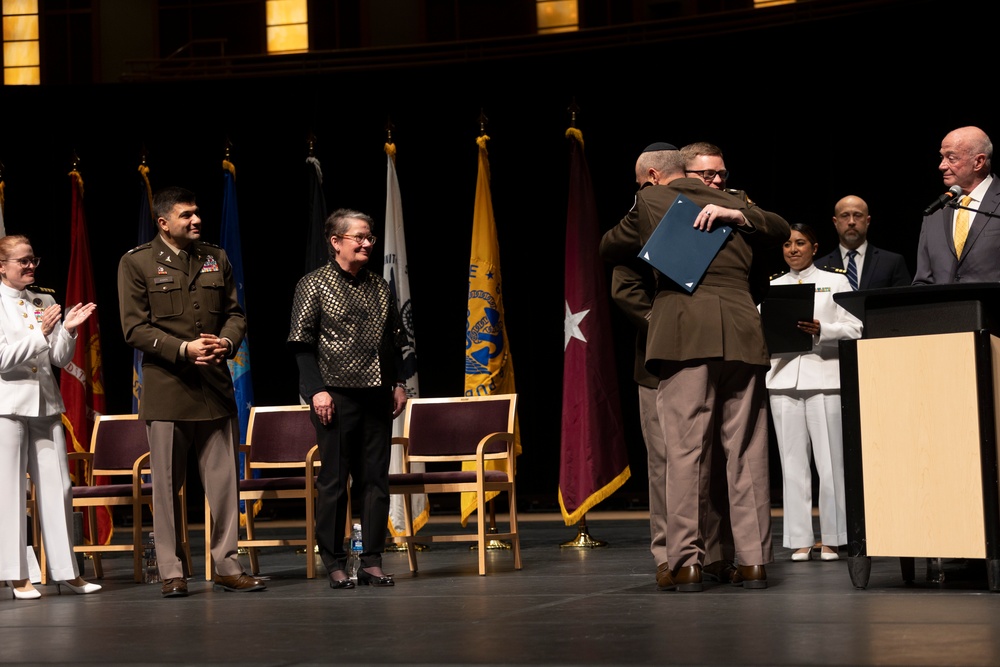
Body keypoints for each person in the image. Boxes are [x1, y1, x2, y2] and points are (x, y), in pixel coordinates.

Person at [600, 146, 789, 591]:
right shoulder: (737, 205)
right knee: (747, 453)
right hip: (743, 335)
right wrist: (738, 215)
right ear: (694, 172)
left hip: (685, 336)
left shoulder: (651, 200)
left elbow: (608, 246)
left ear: (653, 176)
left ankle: (685, 561)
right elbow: (779, 228)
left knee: (684, 452)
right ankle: (755, 561)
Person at [117, 186, 265, 598]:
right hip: (169, 389)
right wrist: (183, 349)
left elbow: (236, 314)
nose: (196, 220)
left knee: (223, 485)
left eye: (197, 213)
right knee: (166, 486)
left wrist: (226, 343)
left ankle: (226, 565)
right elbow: (134, 327)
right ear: (164, 223)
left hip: (215, 387)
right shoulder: (137, 262)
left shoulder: (215, 257)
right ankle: (171, 570)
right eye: (187, 215)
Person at [288, 208, 408, 589]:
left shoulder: (379, 285)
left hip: (378, 395)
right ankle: (334, 562)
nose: (367, 243)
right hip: (335, 395)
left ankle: (372, 559)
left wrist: (399, 382)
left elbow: (395, 340)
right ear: (335, 241)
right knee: (335, 480)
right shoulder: (314, 284)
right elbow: (302, 344)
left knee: (375, 479)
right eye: (358, 237)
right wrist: (316, 391)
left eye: (370, 237)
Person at [1, 234, 101, 599]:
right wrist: (42, 332)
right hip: (7, 408)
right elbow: (2, 359)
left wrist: (68, 329)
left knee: (59, 487)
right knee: (9, 491)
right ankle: (17, 575)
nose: (30, 267)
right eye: (22, 261)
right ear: (2, 266)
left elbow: (58, 357)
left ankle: (65, 571)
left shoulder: (45, 299)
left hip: (45, 404)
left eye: (33, 260)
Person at [765, 223, 862, 562]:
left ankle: (835, 538)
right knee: (792, 465)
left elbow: (856, 327)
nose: (793, 249)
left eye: (800, 243)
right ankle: (800, 539)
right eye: (788, 244)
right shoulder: (774, 286)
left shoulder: (834, 281)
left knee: (831, 462)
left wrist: (824, 330)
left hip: (824, 378)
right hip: (783, 380)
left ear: (814, 247)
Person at [913, 126, 1000, 285]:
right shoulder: (934, 213)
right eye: (942, 157)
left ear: (978, 162)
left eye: (951, 158)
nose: (942, 166)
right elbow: (922, 281)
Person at [815, 195, 911, 289]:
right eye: (845, 216)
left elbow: (905, 303)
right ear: (835, 222)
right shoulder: (819, 267)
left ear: (867, 221)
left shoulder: (892, 262)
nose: (851, 222)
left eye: (857, 215)